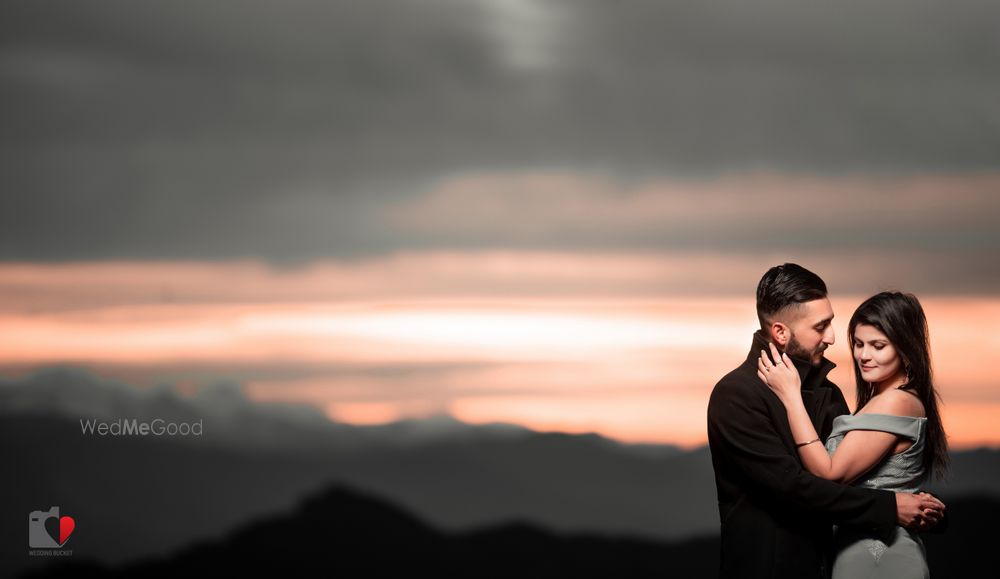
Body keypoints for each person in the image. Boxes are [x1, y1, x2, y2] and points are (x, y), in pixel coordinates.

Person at [707, 263, 946, 579]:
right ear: (780, 332)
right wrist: (891, 508)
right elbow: (792, 488)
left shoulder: (827, 392)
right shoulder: (736, 395)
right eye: (821, 327)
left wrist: (923, 508)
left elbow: (856, 476)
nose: (833, 337)